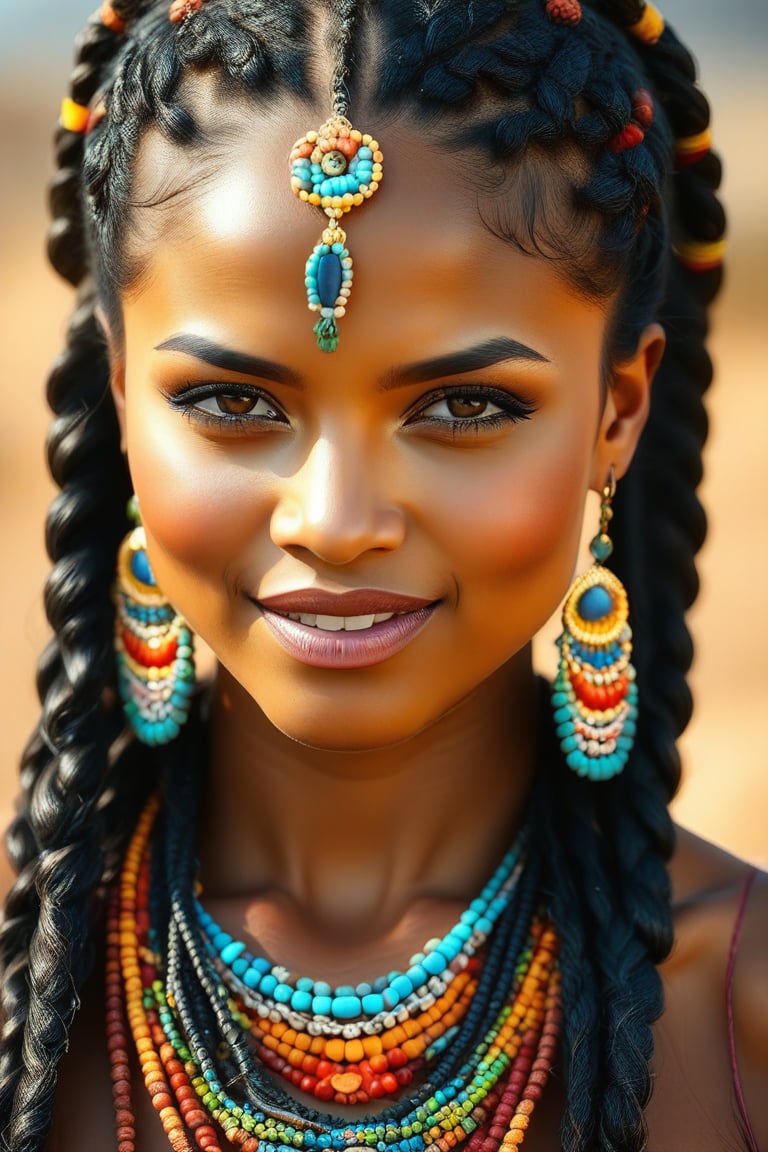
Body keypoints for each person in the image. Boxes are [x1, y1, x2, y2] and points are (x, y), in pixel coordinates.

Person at [0, 0, 765, 1149]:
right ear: (119, 400)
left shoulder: (738, 1007)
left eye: (465, 407)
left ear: (618, 413)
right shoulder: (29, 999)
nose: (336, 520)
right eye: (232, 403)